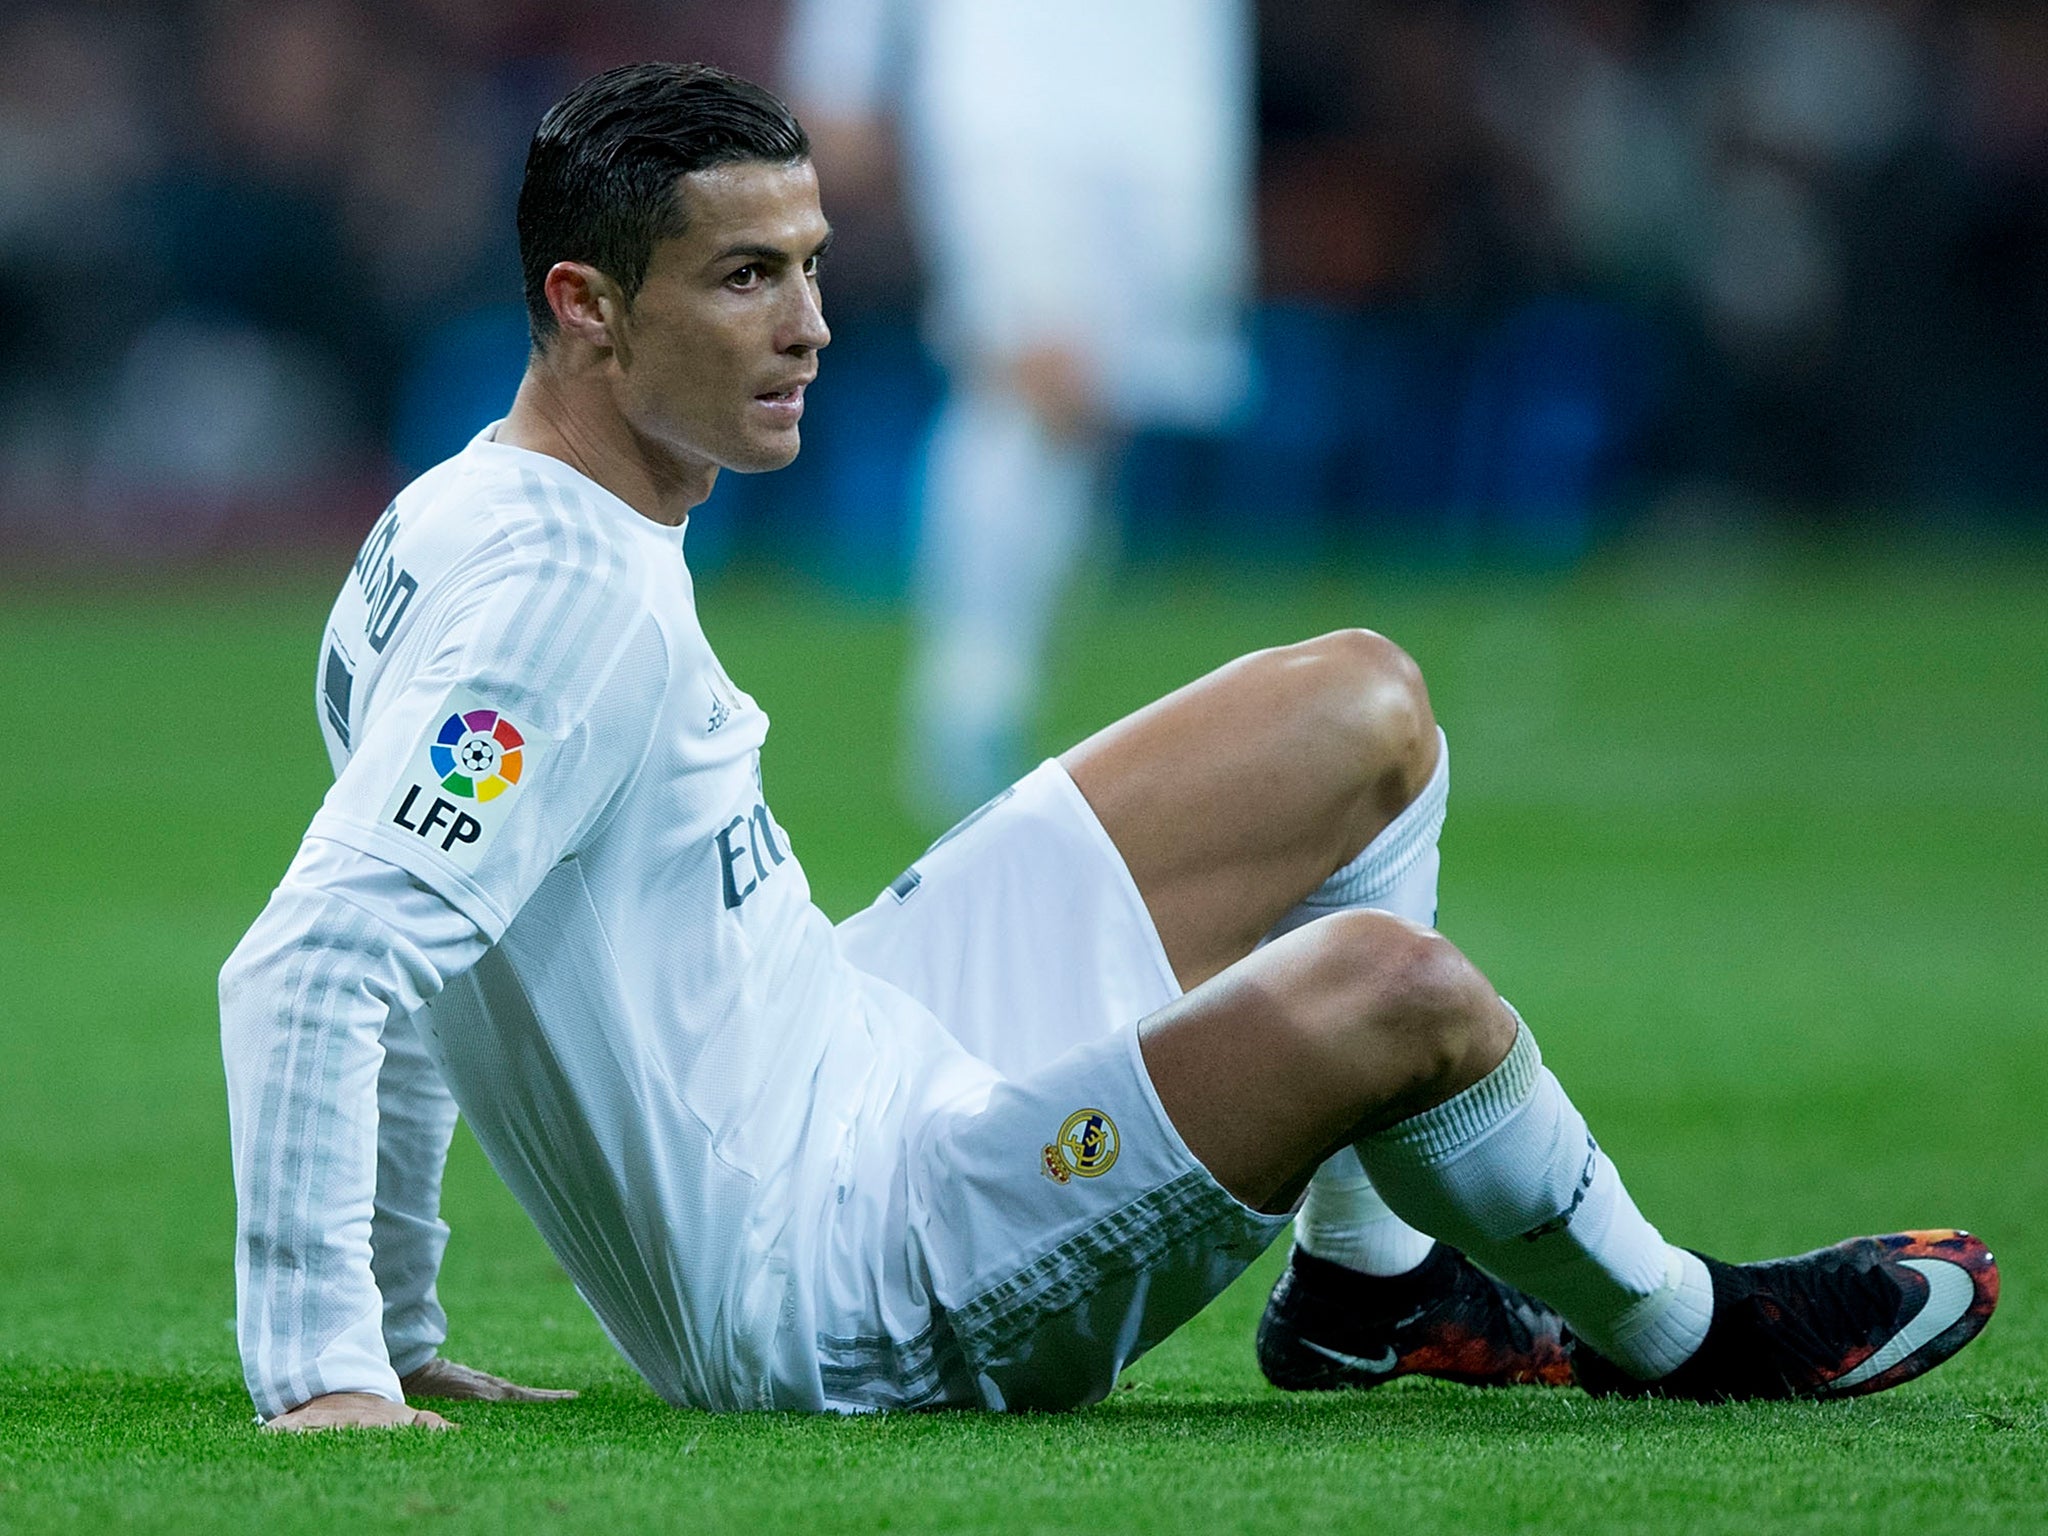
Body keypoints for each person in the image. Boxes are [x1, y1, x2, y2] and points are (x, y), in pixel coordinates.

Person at [221, 62, 1998, 1432]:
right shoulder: (554, 610)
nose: (811, 326)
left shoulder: (450, 527)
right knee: (1397, 994)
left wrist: (416, 1317)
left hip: (861, 1033)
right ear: (584, 304)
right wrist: (329, 1363)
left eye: (813, 267)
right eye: (743, 278)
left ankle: (1364, 1293)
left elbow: (435, 945)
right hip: (845, 1277)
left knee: (1357, 708)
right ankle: (1683, 1332)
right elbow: (322, 960)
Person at [781, 0, 1255, 819]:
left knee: (1099, 410)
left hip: (1168, 100)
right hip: (1007, 95)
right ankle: (967, 701)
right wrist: (841, 66)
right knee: (1028, 375)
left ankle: (1007, 688)